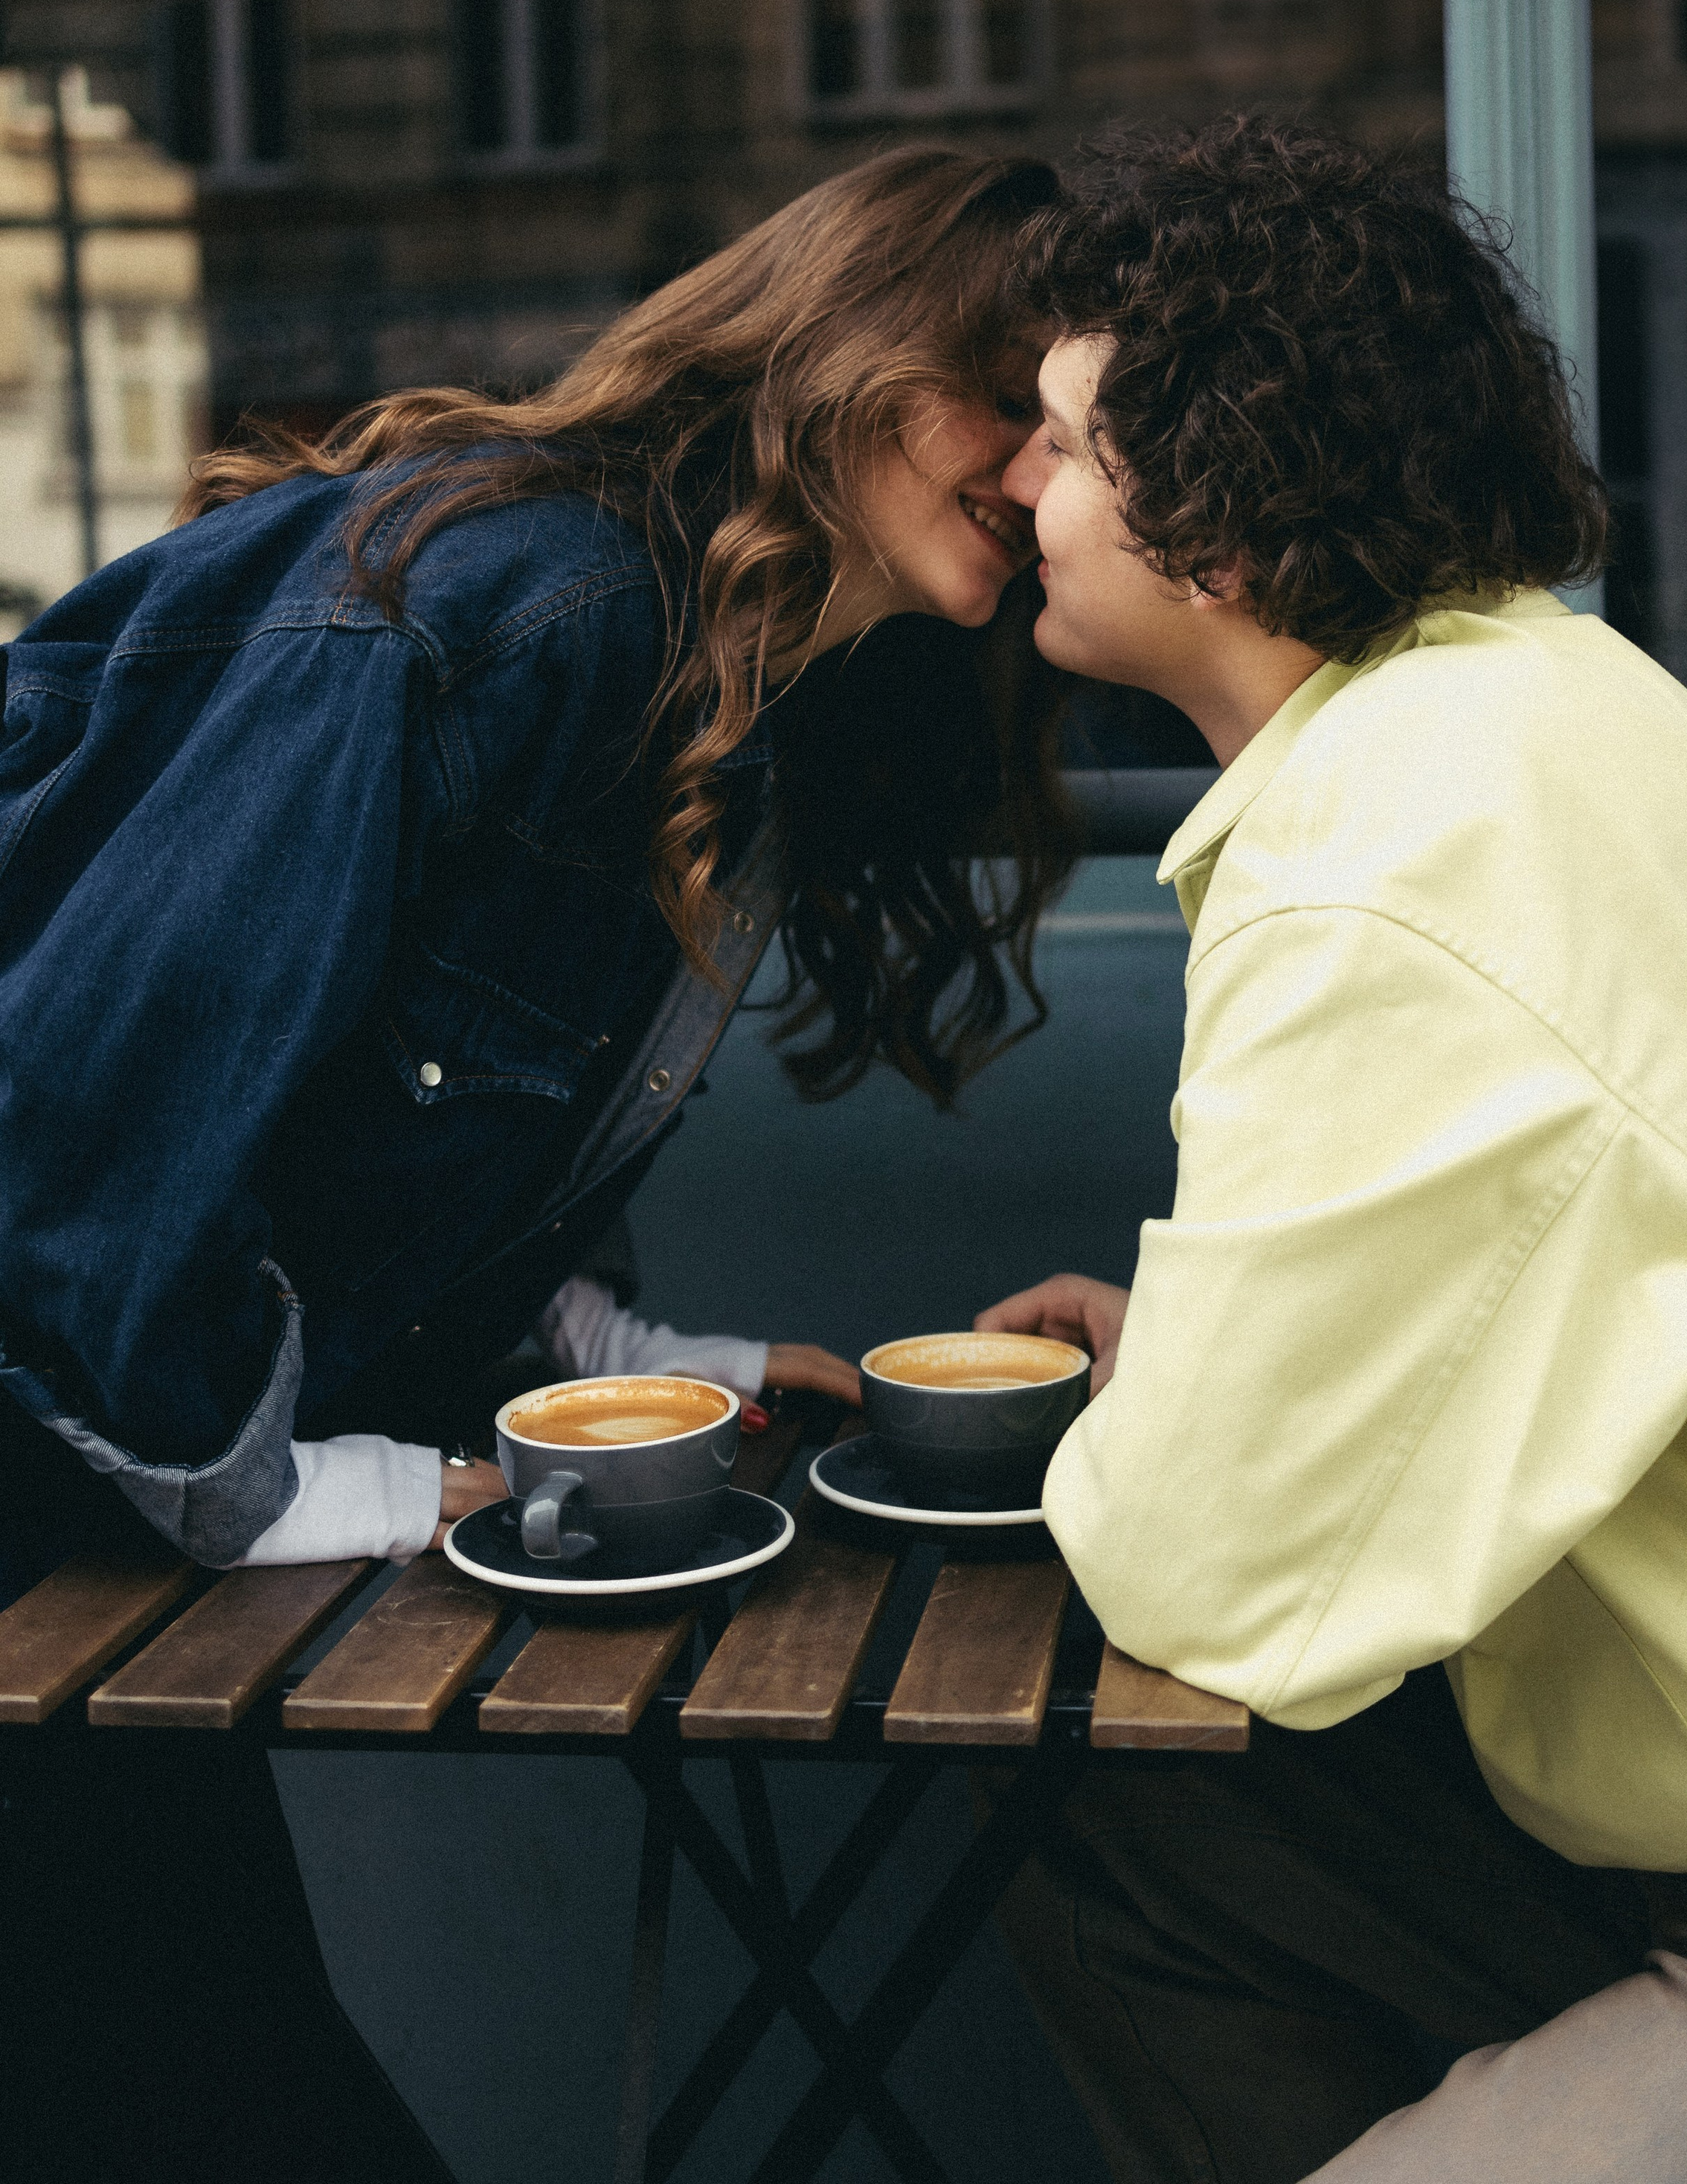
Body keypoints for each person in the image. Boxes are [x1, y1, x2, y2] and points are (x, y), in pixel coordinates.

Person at [0, 144, 1073, 2180]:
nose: (1033, 479)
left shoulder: (741, 684)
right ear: (847, 350)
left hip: (79, 1507)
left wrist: (650, 1375)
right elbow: (83, 1113)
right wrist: (325, 1487)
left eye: (1071, 436)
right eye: (1002, 401)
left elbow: (433, 1117)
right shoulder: (542, 602)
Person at [977, 116, 1687, 2184]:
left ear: (1211, 514)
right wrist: (1226, 1358)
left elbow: (1209, 1580)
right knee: (1126, 1844)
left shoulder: (1388, 860)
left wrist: (1185, 1419)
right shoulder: (1519, 704)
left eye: (1057, 440)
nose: (1015, 485)